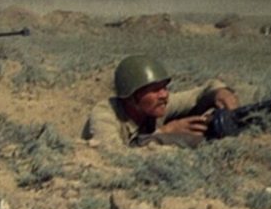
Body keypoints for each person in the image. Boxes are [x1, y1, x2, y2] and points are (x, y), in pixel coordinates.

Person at [86, 55, 239, 149]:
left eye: (164, 87)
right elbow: (112, 154)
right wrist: (164, 133)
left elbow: (202, 93)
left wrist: (221, 92)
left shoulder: (157, 105)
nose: (164, 95)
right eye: (155, 90)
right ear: (131, 97)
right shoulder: (105, 114)